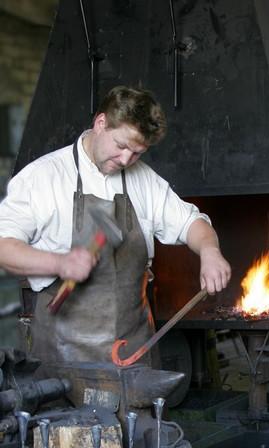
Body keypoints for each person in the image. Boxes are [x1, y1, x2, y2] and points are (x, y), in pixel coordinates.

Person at [0, 85, 231, 366]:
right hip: (64, 359)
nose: (125, 160)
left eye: (136, 153)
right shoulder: (44, 177)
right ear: (100, 123)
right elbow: (4, 246)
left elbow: (191, 222)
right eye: (121, 146)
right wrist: (58, 263)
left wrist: (210, 251)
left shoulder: (144, 180)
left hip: (132, 355)